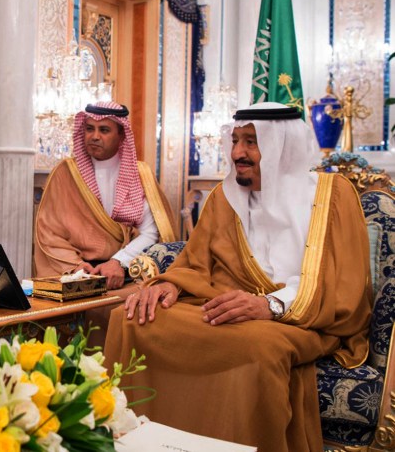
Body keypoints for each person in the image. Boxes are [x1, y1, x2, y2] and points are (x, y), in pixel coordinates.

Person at [105, 102, 372, 451]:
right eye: (234, 141)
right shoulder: (224, 197)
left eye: (251, 141)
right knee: (132, 318)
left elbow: (343, 282)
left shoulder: (333, 195)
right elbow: (195, 262)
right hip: (228, 307)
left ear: (282, 146)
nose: (238, 153)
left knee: (260, 348)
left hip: (305, 318)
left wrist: (270, 305)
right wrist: (168, 284)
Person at [33, 101, 176, 345]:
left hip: (125, 273)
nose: (95, 137)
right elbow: (48, 232)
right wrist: (77, 269)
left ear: (121, 135)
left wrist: (118, 263)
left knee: (140, 315)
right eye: (89, 129)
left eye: (104, 130)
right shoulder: (66, 173)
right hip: (73, 274)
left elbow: (153, 232)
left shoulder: (140, 174)